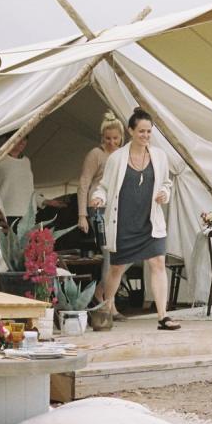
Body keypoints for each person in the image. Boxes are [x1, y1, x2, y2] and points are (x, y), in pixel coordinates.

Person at [89, 108, 180, 331]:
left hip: (150, 221)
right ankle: (107, 308)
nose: (145, 136)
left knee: (158, 262)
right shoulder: (116, 158)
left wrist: (164, 194)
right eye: (141, 131)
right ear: (131, 131)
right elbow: (104, 187)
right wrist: (98, 198)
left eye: (149, 131)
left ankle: (163, 316)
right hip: (123, 222)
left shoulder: (159, 156)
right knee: (117, 268)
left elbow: (167, 184)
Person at [77, 111, 124, 310]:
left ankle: (101, 291)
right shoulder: (96, 154)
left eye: (115, 138)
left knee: (127, 255)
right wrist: (82, 215)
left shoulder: (124, 154)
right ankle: (108, 304)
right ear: (102, 137)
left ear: (122, 137)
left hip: (119, 209)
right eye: (108, 138)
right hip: (98, 209)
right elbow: (84, 183)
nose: (112, 142)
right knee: (109, 254)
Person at [0, 135, 66, 226]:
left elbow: (28, 189)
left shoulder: (26, 161)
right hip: (6, 213)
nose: (22, 142)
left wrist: (45, 201)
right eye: (19, 137)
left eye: (25, 139)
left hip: (28, 215)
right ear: (8, 139)